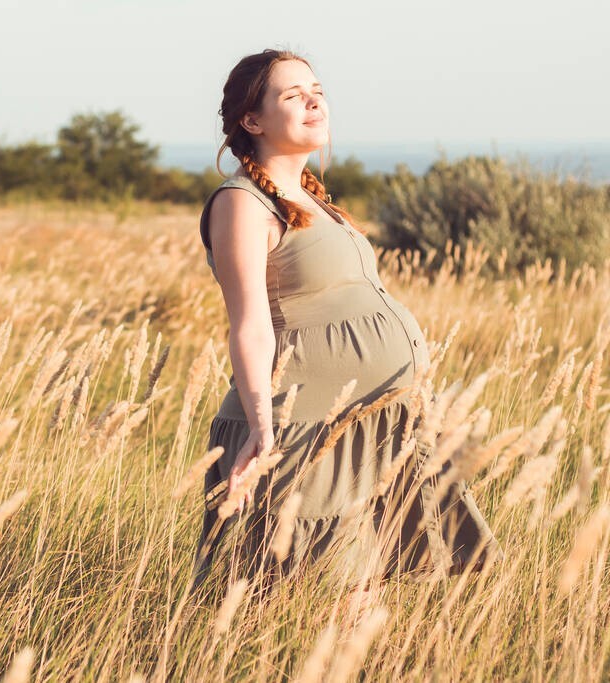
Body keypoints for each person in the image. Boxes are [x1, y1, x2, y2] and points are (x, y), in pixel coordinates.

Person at [189, 48, 504, 597]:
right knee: (307, 606)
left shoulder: (315, 201)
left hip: (365, 426)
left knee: (359, 602)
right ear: (252, 120)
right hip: (300, 431)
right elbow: (250, 326)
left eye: (316, 89)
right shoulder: (242, 203)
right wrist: (264, 428)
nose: (314, 100)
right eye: (292, 94)